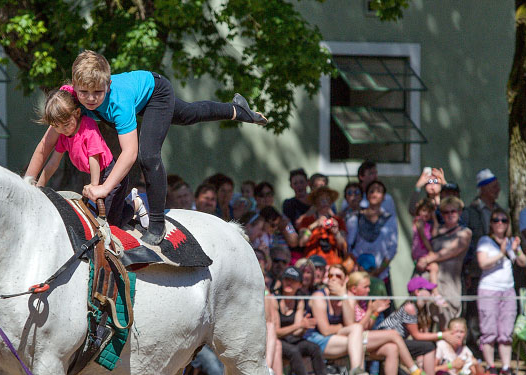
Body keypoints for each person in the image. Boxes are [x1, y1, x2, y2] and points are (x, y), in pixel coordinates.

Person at [71, 50, 267, 244]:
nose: (90, 99)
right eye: (84, 93)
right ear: (74, 86)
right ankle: (237, 110)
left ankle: (157, 223)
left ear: (109, 85)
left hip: (156, 92)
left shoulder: (119, 102)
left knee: (148, 156)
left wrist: (104, 188)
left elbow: (129, 153)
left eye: (98, 92)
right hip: (137, 98)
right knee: (189, 113)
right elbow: (52, 135)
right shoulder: (72, 99)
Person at [24, 88, 130, 226]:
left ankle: (135, 203)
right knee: (96, 218)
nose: (63, 129)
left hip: (110, 174)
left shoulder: (88, 127)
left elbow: (94, 158)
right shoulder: (64, 136)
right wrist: (39, 186)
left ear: (77, 113)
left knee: (111, 222)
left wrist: (94, 185)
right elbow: (53, 163)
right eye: (57, 126)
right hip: (96, 174)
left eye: (66, 124)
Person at [338, 268, 439, 375]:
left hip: (364, 338)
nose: (369, 290)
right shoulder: (349, 300)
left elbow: (366, 326)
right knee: (393, 334)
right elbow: (353, 327)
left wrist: (374, 312)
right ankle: (415, 372)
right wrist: (370, 311)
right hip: (351, 340)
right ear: (354, 288)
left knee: (392, 347)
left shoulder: (363, 301)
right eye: (366, 287)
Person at [475, 209, 526, 375]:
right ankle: (490, 366)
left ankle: (506, 367)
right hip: (489, 289)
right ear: (491, 223)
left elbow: (523, 262)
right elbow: (482, 263)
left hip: (508, 290)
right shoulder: (485, 241)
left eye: (504, 220)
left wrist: (516, 249)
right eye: (496, 220)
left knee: (506, 330)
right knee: (489, 329)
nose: (500, 223)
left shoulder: (510, 241)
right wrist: (501, 253)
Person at [274, 265, 331, 375]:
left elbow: (298, 332)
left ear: (299, 284)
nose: (289, 283)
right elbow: (275, 332)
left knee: (314, 348)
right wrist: (299, 325)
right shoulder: (274, 299)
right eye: (287, 279)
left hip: (291, 339)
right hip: (277, 341)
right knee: (293, 351)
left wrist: (304, 327)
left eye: (293, 280)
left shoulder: (299, 300)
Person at [435, 318, 520, 375]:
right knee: (443, 374)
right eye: (456, 331)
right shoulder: (441, 345)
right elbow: (432, 371)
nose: (459, 335)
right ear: (448, 332)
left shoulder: (465, 350)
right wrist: (451, 365)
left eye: (462, 332)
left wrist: (476, 365)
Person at [416, 197, 470, 328]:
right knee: (423, 323)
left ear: (459, 212)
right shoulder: (435, 230)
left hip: (449, 284)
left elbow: (453, 250)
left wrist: (429, 259)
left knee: (447, 325)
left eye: (453, 211)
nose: (450, 215)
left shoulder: (465, 232)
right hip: (429, 281)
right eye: (446, 212)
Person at [376, 276, 445, 375]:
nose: (431, 292)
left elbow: (421, 335)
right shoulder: (410, 308)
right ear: (417, 292)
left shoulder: (421, 309)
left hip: (397, 342)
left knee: (426, 346)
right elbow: (417, 336)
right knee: (429, 347)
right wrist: (442, 335)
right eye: (428, 290)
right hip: (385, 342)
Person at [346, 180, 398, 287]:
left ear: (384, 197)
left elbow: (392, 248)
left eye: (379, 191)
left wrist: (379, 270)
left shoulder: (390, 219)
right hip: (358, 273)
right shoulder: (355, 217)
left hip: (381, 275)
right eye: (371, 191)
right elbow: (349, 245)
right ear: (367, 195)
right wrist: (358, 266)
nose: (374, 194)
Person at [296, 186, 346, 265]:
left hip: (333, 264)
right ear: (315, 202)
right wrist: (312, 227)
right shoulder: (307, 221)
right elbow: (302, 243)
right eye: (321, 199)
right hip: (312, 263)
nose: (325, 202)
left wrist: (337, 233)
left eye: (327, 199)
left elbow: (343, 247)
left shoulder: (338, 221)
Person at [411, 197, 439, 284]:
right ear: (418, 210)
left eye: (429, 211)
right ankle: (435, 291)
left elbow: (435, 233)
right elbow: (423, 237)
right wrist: (431, 251)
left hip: (424, 252)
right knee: (434, 267)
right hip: (420, 252)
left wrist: (434, 218)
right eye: (424, 210)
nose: (426, 213)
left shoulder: (428, 224)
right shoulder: (419, 221)